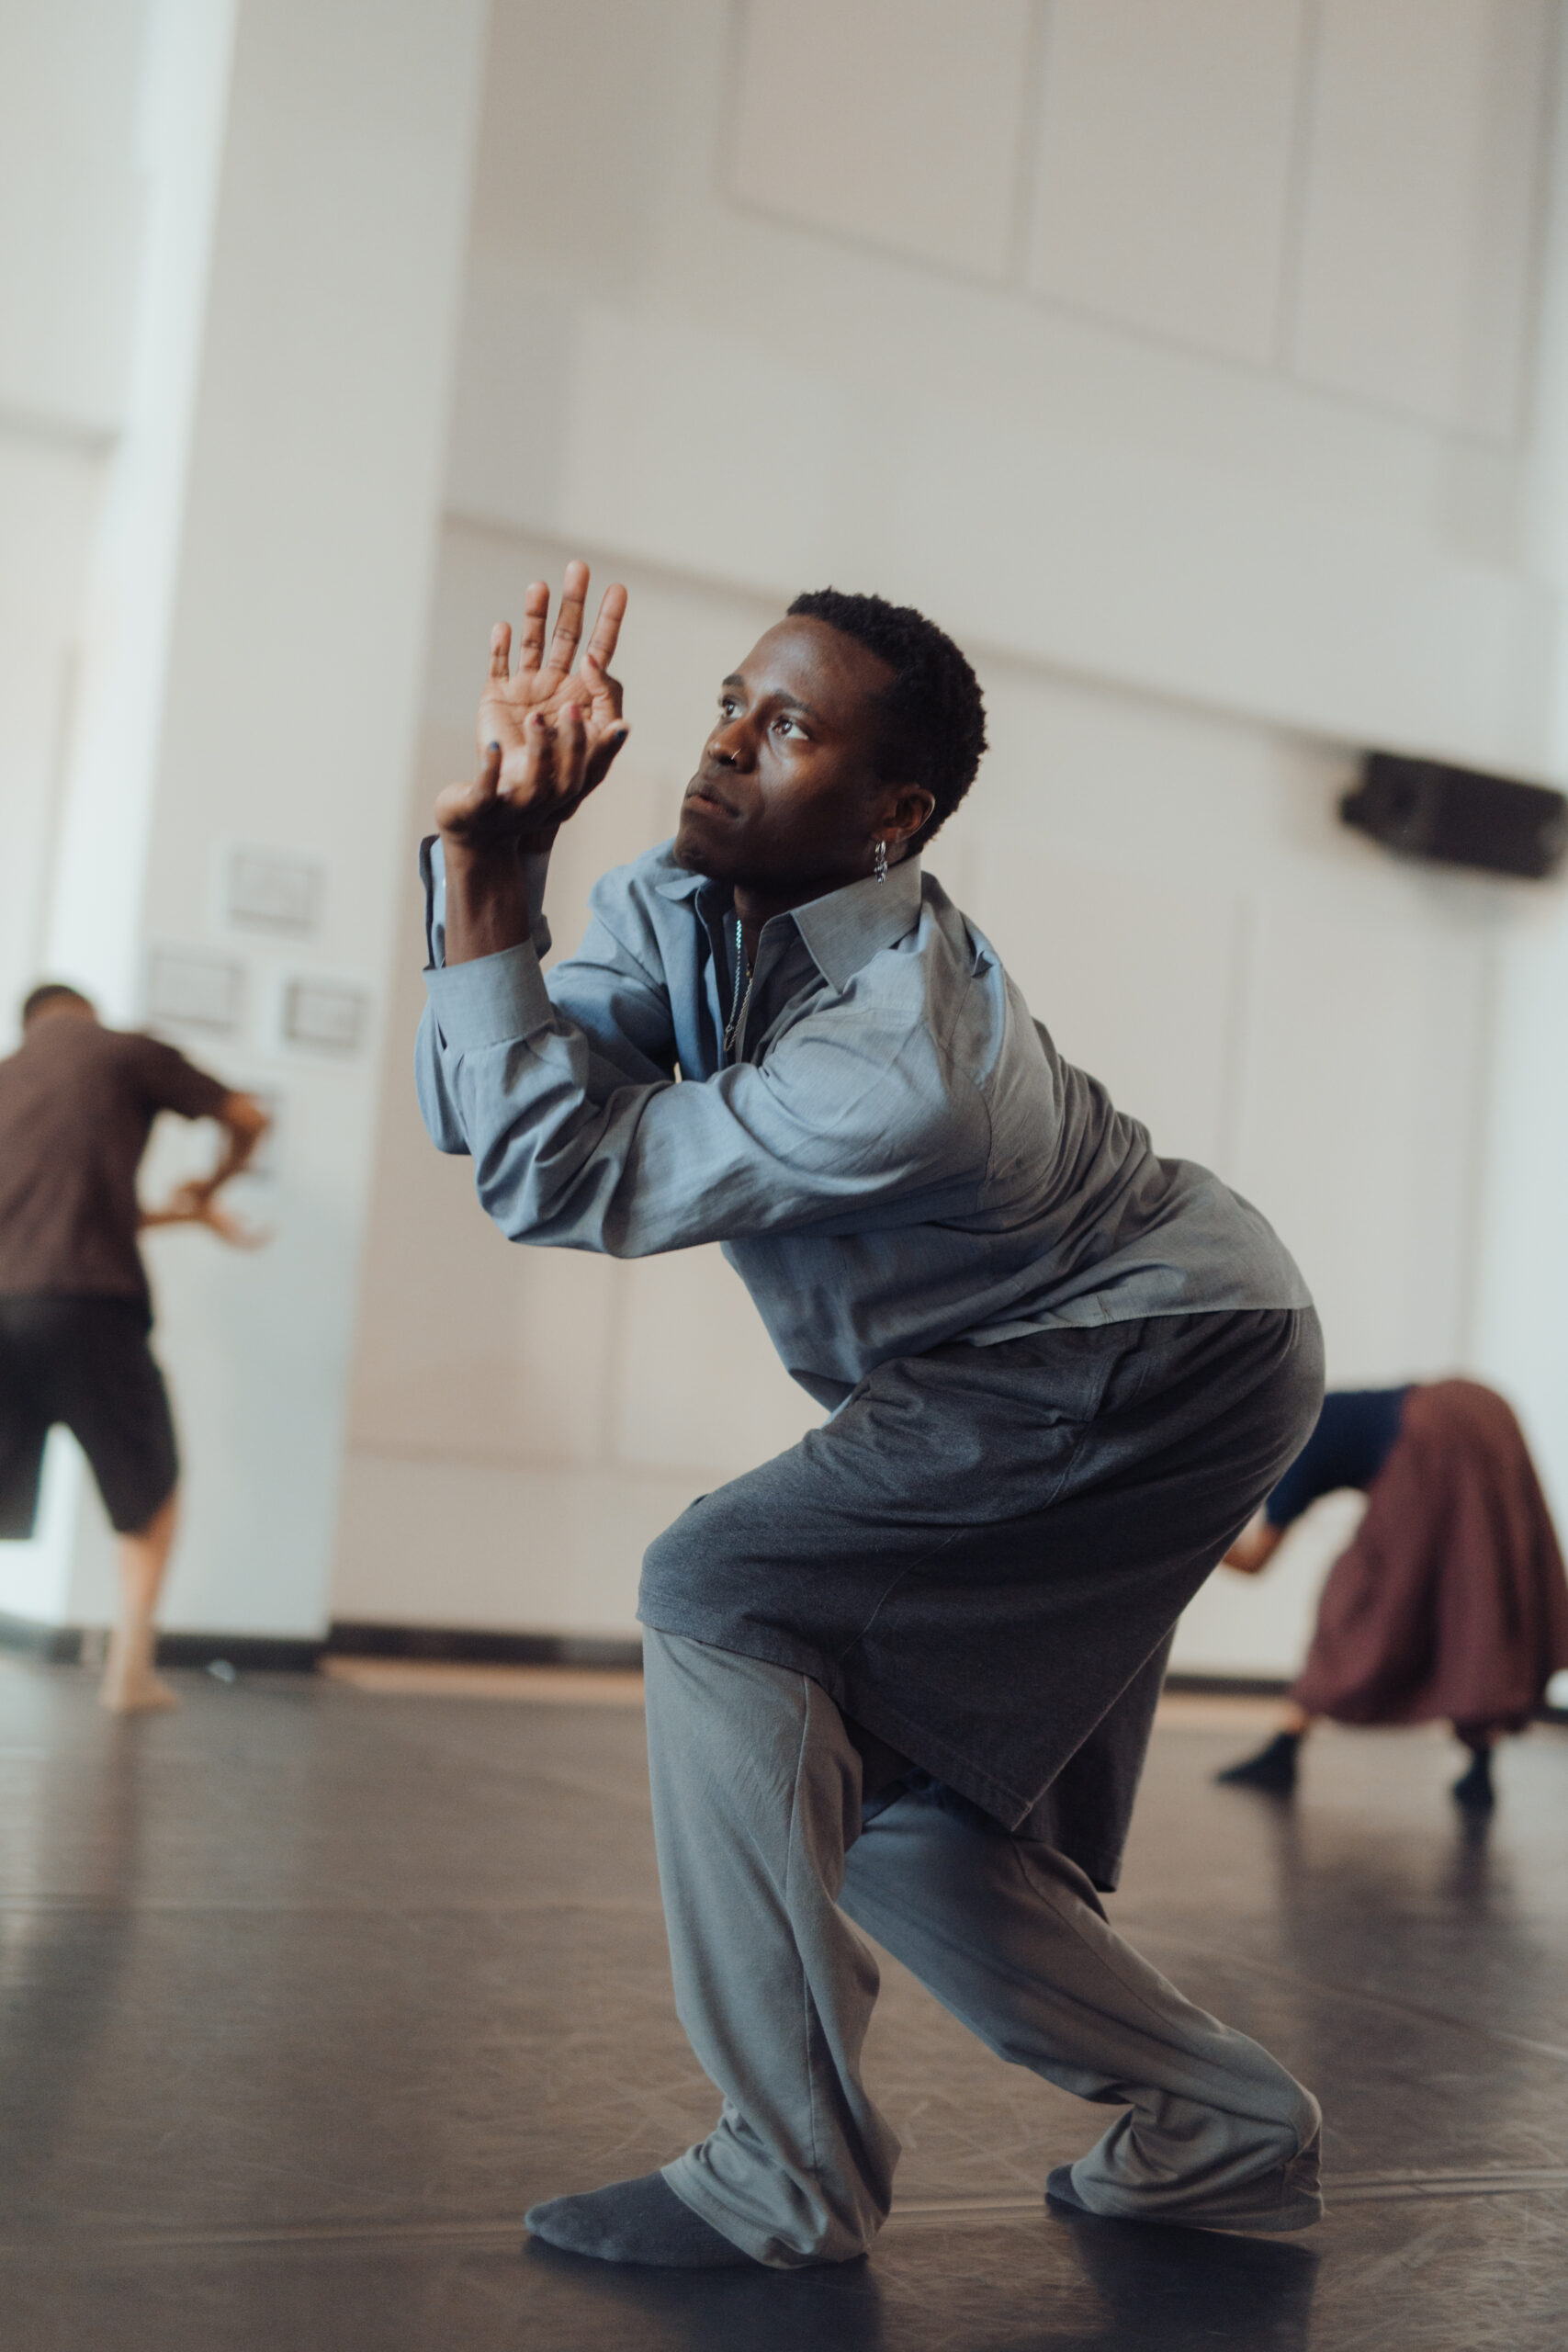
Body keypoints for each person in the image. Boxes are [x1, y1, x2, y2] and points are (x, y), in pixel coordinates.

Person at [417, 560, 1327, 2270]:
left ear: (891, 813)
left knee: (719, 1586)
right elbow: (480, 1101)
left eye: (787, 730)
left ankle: (785, 2180)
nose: (723, 751)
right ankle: (1223, 2124)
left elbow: (556, 1167)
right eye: (726, 709)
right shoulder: (677, 896)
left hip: (1150, 1346)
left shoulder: (902, 1058)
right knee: (905, 1817)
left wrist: (491, 880)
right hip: (1083, 1351)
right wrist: (501, 876)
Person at [0, 983, 269, 1713]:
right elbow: (248, 1116)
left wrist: (180, 1217)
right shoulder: (123, 1052)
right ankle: (129, 1669)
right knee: (149, 1489)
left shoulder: (7, 1076)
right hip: (90, 1303)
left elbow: (46, 1221)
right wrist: (213, 1185)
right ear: (84, 1012)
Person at [1216, 1382, 1568, 1807]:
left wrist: (1183, 1538)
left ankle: (1284, 1749)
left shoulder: (1292, 1448)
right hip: (1479, 1405)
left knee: (1355, 1601)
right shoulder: (1308, 1408)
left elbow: (1254, 1562)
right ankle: (1481, 1763)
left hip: (1427, 1433)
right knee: (1479, 1590)